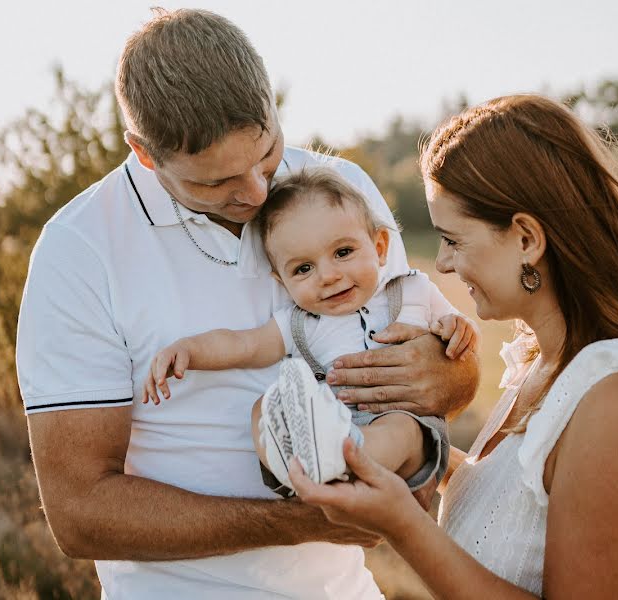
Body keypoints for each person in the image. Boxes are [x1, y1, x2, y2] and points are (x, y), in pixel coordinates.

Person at [14, 8, 478, 599]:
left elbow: (447, 367)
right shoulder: (79, 250)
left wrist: (447, 375)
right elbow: (80, 512)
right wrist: (306, 519)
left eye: (267, 155)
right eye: (216, 183)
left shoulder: (339, 188)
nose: (258, 193)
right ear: (145, 152)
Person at [290, 94, 618, 599]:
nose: (442, 264)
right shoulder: (542, 367)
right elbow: (514, 503)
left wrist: (401, 524)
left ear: (526, 239)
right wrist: (416, 452)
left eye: (453, 240)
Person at [143, 167, 478, 494]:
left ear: (379, 249)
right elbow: (242, 344)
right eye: (304, 269)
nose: (328, 276)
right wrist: (189, 351)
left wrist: (455, 329)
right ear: (282, 281)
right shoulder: (300, 322)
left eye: (343, 252)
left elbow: (456, 333)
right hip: (328, 424)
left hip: (399, 427)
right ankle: (299, 460)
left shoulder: (413, 289)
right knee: (264, 406)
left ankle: (345, 457)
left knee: (402, 430)